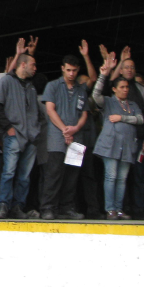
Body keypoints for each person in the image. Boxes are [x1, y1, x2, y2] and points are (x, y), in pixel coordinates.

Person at [105, 49, 144, 218]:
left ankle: (140, 210)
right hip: (118, 141)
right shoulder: (113, 90)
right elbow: (104, 87)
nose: (129, 70)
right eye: (126, 67)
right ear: (121, 70)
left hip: (139, 139)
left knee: (139, 176)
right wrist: (118, 61)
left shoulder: (142, 90)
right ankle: (121, 208)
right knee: (120, 177)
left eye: (132, 67)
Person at [40, 52, 91, 220]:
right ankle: (48, 207)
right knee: (54, 173)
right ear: (62, 68)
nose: (71, 74)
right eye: (68, 70)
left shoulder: (81, 90)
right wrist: (65, 129)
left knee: (72, 174)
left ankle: (67, 207)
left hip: (76, 137)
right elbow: (50, 110)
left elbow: (84, 114)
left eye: (74, 70)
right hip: (57, 137)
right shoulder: (53, 86)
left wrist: (75, 129)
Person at [92, 56, 143, 220]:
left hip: (127, 147)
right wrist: (102, 75)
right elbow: (95, 95)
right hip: (110, 146)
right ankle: (110, 210)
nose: (125, 89)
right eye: (122, 87)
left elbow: (140, 119)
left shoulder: (133, 105)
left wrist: (122, 118)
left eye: (127, 87)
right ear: (114, 89)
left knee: (122, 179)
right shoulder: (108, 102)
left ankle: (119, 209)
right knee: (111, 177)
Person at [0, 51, 40, 219]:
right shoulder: (6, 81)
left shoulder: (31, 86)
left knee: (24, 176)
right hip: (14, 134)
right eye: (33, 65)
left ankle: (18, 206)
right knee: (9, 172)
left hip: (30, 137)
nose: (35, 68)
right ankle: (3, 205)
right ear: (23, 64)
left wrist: (35, 131)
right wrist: (8, 128)